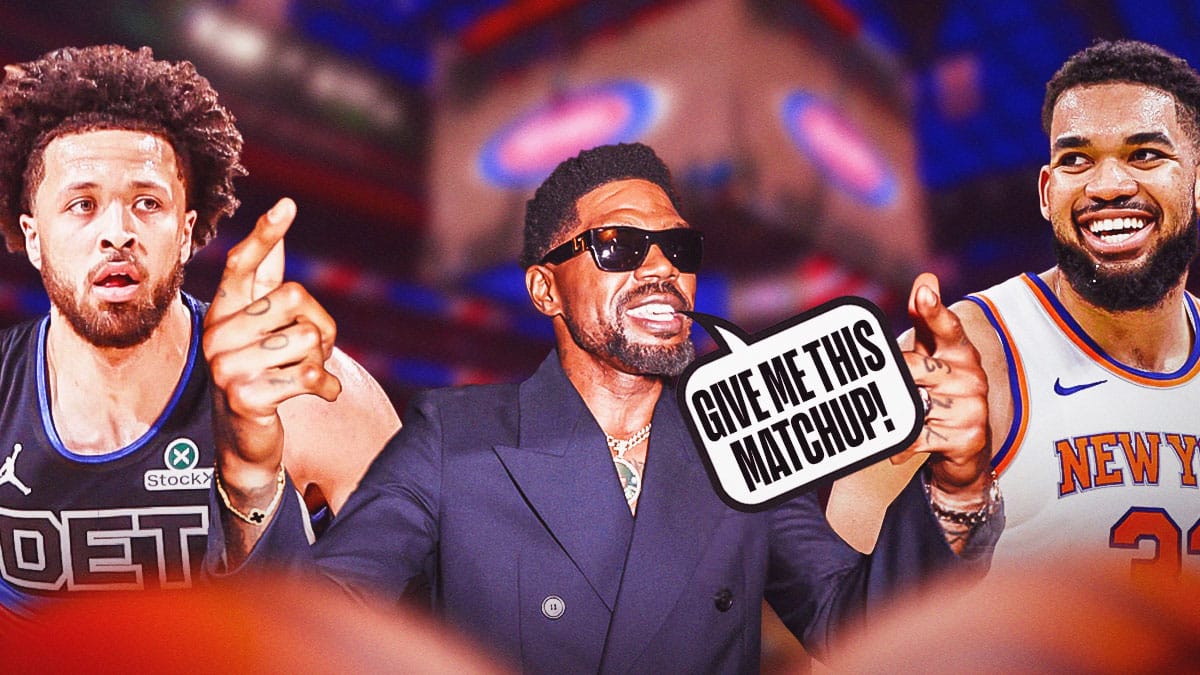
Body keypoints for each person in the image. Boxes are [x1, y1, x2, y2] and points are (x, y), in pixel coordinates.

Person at [210, 142, 998, 672]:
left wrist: (956, 484)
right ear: (544, 288)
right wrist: (251, 465)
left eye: (679, 248)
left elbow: (857, 623)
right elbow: (317, 628)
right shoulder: (451, 439)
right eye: (619, 246)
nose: (660, 269)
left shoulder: (741, 433)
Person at [0, 45, 399, 616]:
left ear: (186, 233)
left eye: (147, 203)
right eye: (83, 204)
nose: (118, 232)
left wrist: (254, 488)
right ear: (33, 237)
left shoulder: (306, 391)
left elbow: (426, 612)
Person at [828, 39, 1200, 584]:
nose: (1107, 186)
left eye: (1144, 154)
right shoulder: (960, 359)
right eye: (1076, 160)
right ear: (1047, 192)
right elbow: (830, 606)